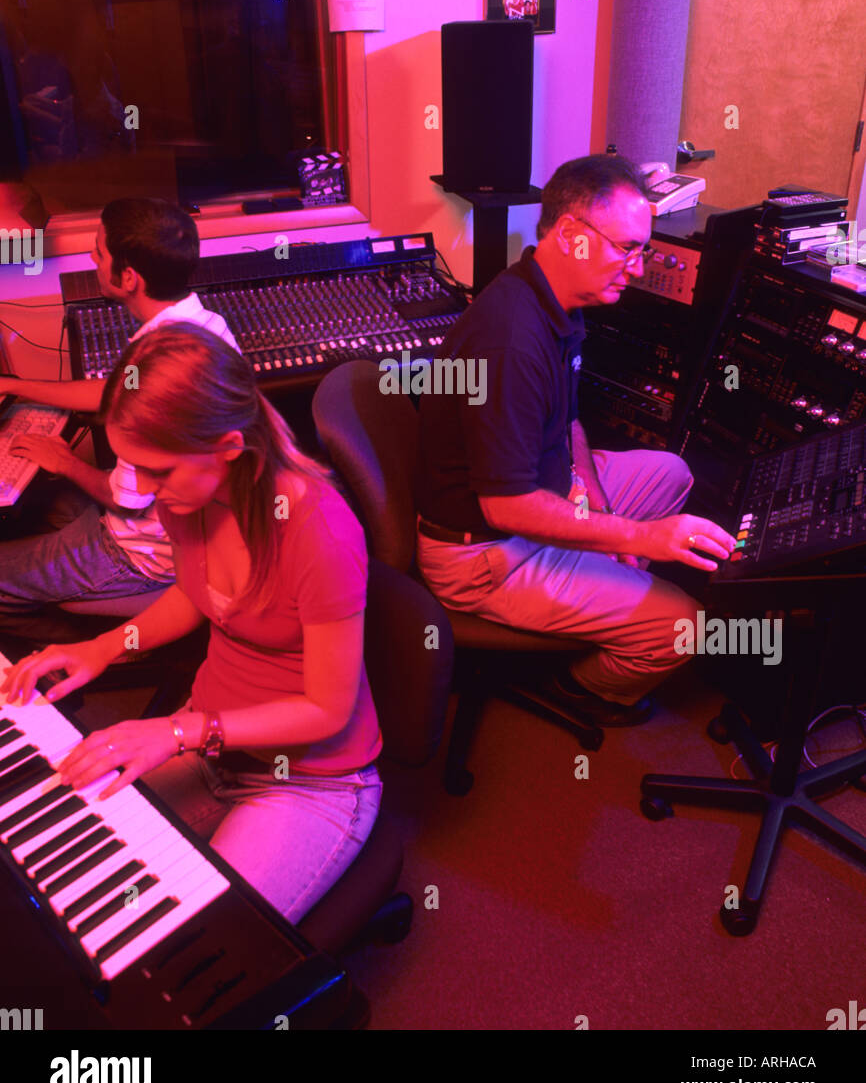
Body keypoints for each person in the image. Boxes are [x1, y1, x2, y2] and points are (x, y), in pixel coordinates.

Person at [0, 323, 382, 924]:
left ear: (230, 447)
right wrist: (104, 647)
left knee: (199, 938)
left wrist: (179, 733)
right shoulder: (191, 500)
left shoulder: (320, 533)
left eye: (159, 472)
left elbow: (329, 709)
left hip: (307, 781)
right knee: (67, 871)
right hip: (212, 746)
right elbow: (193, 592)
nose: (142, 491)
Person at [414, 154, 736, 726]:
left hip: (543, 492)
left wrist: (593, 501)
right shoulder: (510, 342)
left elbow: (568, 420)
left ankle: (600, 584)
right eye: (627, 247)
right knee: (688, 628)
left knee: (672, 472)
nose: (636, 268)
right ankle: (573, 684)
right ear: (571, 235)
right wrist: (638, 536)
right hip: (484, 551)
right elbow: (506, 505)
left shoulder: (557, 297)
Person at [0, 198, 239, 643]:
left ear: (129, 277)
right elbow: (113, 392)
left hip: (138, 548)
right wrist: (17, 386)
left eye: (99, 252)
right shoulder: (201, 326)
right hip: (155, 525)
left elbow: (128, 500)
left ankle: (92, 653)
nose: (92, 260)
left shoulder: (157, 371)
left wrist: (66, 463)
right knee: (37, 511)